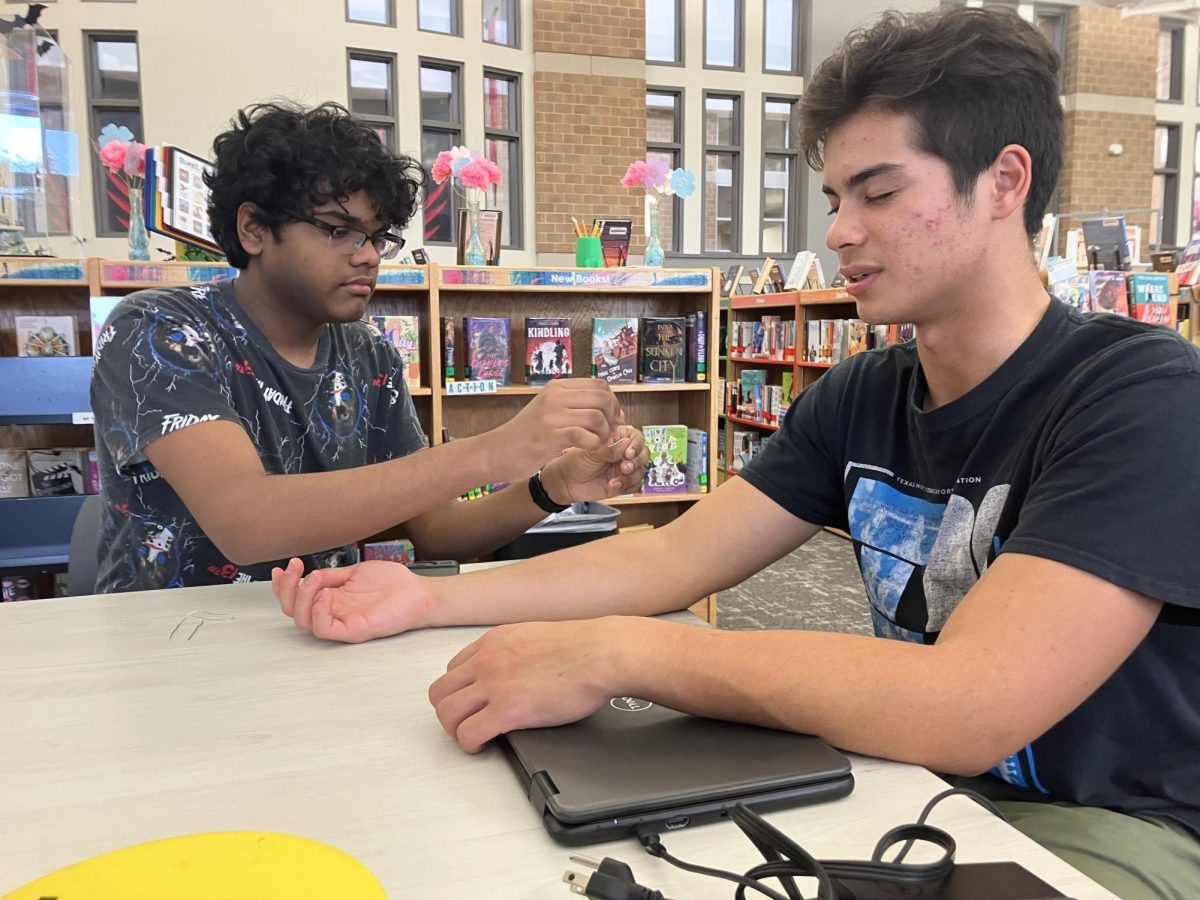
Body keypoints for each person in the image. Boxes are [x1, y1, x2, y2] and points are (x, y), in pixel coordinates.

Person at [272, 10, 1200, 898]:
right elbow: (673, 556)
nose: (838, 229)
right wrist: (427, 597)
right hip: (909, 782)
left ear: (1004, 183)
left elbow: (972, 702)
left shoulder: (1140, 397)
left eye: (879, 192)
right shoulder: (864, 393)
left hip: (1113, 825)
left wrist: (617, 656)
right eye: (836, 197)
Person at [90, 101, 647, 593]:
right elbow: (245, 523)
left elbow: (435, 532)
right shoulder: (159, 329)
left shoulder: (367, 353)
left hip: (322, 633)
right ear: (254, 229)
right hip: (168, 646)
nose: (369, 256)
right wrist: (496, 450)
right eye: (339, 230)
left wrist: (552, 486)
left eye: (378, 236)